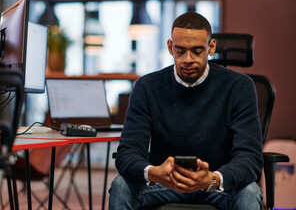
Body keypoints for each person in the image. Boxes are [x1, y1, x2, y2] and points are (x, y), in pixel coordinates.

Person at [108, 12, 264, 210]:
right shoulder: (147, 87)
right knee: (121, 185)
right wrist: (154, 172)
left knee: (249, 192)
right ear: (170, 47)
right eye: (180, 51)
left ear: (211, 47)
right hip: (163, 185)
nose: (188, 60)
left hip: (215, 185)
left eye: (197, 51)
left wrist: (213, 179)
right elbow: (128, 152)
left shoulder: (239, 87)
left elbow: (250, 157)